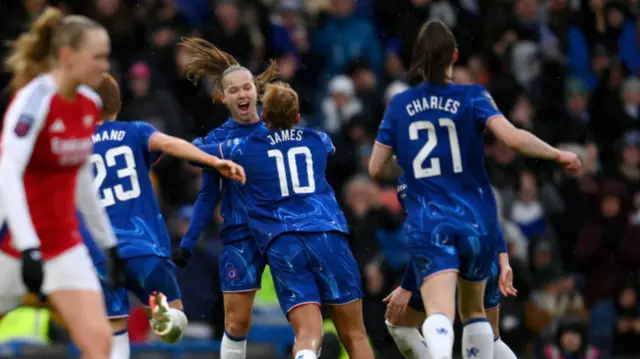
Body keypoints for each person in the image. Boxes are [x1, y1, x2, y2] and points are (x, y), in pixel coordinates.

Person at [368, 20, 581, 359]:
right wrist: (558, 154)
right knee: (475, 313)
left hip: (432, 221)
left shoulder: (400, 105)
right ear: (454, 55)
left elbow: (375, 168)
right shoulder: (473, 96)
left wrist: (410, 161)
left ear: (418, 58)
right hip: (474, 218)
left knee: (439, 313)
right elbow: (512, 138)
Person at [199, 82, 374, 359]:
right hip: (326, 233)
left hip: (283, 242)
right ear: (296, 116)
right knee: (355, 335)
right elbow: (331, 150)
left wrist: (194, 145)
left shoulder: (245, 147)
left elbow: (203, 154)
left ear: (264, 116)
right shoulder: (318, 139)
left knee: (307, 334)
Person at [79, 73, 245, 359]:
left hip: (101, 254)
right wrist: (214, 160)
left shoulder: (76, 146)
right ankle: (164, 314)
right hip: (144, 248)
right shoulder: (135, 131)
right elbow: (171, 144)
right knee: (176, 325)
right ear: (118, 104)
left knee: (115, 332)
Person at [0, 7, 126, 359]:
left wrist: (109, 244)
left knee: (99, 343)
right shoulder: (34, 100)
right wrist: (28, 247)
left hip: (63, 247)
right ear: (68, 55)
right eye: (97, 57)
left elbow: (82, 178)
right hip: (12, 246)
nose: (105, 66)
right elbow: (7, 174)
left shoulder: (89, 104)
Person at [170, 37, 277, 359]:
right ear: (222, 97)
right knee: (237, 321)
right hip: (242, 237)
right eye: (234, 90)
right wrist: (188, 243)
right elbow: (206, 197)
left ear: (256, 90)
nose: (243, 94)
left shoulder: (279, 131)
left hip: (282, 234)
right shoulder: (216, 142)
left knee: (304, 313)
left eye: (247, 87)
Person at [383, 176, 518, 359]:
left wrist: (406, 287)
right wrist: (503, 259)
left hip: (445, 259)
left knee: (399, 323)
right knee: (491, 338)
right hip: (484, 254)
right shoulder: (459, 163)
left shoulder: (410, 179)